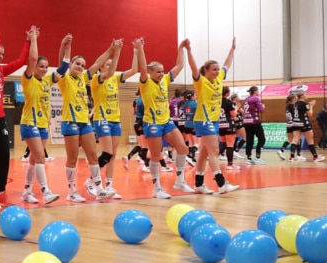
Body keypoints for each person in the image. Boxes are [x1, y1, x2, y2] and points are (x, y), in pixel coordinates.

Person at [55, 34, 115, 203]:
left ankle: (100, 189)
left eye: (82, 65)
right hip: (70, 122)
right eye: (77, 64)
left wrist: (111, 49)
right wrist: (65, 46)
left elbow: (97, 63)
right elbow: (61, 62)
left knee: (93, 156)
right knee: (72, 158)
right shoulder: (64, 79)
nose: (80, 67)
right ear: (71, 65)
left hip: (85, 123)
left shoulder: (83, 78)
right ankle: (72, 191)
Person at [134, 37, 193, 199]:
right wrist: (140, 49)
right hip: (152, 123)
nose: (161, 74)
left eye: (162, 71)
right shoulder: (145, 82)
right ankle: (157, 188)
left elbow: (180, 66)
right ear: (151, 72)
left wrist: (181, 48)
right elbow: (142, 67)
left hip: (166, 122)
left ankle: (180, 181)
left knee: (183, 148)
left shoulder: (165, 80)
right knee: (155, 155)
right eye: (158, 71)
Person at [184, 39, 239, 195]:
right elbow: (193, 67)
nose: (216, 71)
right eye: (213, 70)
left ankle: (199, 184)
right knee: (214, 151)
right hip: (203, 119)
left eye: (217, 69)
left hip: (213, 120)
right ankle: (221, 184)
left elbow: (227, 64)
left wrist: (232, 50)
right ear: (206, 71)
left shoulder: (219, 79)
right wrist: (189, 51)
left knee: (204, 152)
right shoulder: (200, 82)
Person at [0, 16, 29, 205]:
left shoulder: (1, 71)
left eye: (2, 54)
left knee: (4, 153)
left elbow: (22, 61)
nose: (0, 55)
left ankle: (1, 191)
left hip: (0, 118)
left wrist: (28, 40)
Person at [18, 26, 61, 205]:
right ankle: (46, 191)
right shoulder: (28, 79)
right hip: (29, 123)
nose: (43, 69)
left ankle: (26, 191)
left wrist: (66, 47)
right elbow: (33, 57)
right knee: (40, 156)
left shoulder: (47, 81)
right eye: (40, 67)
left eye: (45, 67)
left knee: (34, 160)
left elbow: (63, 68)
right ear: (34, 67)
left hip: (43, 125)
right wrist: (34, 38)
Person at [91, 38, 137, 200]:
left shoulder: (115, 79)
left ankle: (109, 185)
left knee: (113, 154)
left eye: (111, 64)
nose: (111, 67)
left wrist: (137, 50)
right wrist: (116, 50)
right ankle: (92, 181)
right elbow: (110, 72)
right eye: (107, 64)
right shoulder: (96, 80)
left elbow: (134, 69)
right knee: (107, 152)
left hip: (115, 119)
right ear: (101, 67)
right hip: (101, 118)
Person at [294, 93, 325, 162]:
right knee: (310, 141)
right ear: (302, 96)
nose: (306, 95)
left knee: (296, 140)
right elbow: (310, 114)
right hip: (305, 124)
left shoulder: (295, 104)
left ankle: (294, 156)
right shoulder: (306, 104)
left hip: (297, 124)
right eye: (305, 94)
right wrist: (311, 106)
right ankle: (315, 157)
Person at [242, 86, 266, 164]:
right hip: (254, 121)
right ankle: (257, 157)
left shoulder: (246, 99)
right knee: (262, 139)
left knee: (249, 140)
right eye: (258, 90)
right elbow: (261, 110)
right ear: (255, 91)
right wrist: (263, 106)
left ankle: (249, 158)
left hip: (246, 122)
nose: (258, 92)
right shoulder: (256, 98)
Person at [278, 95, 302, 161]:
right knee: (297, 139)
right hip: (293, 124)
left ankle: (281, 150)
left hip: (288, 124)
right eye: (296, 98)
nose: (297, 98)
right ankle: (298, 155)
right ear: (293, 99)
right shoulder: (293, 106)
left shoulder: (287, 106)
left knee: (289, 139)